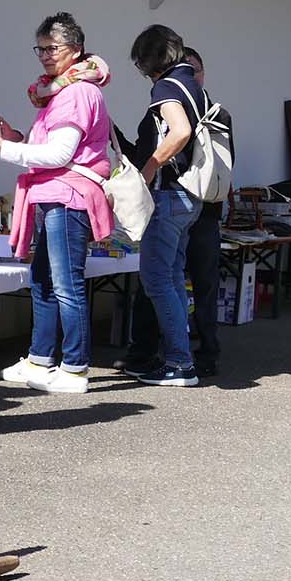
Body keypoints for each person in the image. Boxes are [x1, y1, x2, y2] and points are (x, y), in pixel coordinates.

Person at [0, 13, 114, 394]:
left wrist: (5, 147)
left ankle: (76, 367)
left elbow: (60, 154)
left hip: (68, 195)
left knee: (66, 285)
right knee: (43, 281)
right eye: (41, 49)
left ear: (76, 50)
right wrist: (8, 135)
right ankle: (40, 359)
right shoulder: (57, 92)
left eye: (54, 49)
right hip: (52, 195)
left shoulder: (78, 92)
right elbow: (43, 149)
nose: (46, 56)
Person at [121, 45, 221, 378]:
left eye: (140, 63)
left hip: (168, 196)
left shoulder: (166, 87)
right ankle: (180, 359)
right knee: (174, 279)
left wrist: (149, 168)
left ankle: (179, 362)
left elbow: (180, 132)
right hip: (190, 199)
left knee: (156, 282)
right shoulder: (198, 93)